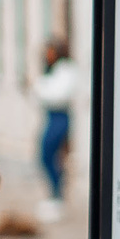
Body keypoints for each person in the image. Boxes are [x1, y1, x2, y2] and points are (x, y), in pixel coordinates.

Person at [36, 38, 79, 221]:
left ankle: (57, 195)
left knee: (50, 154)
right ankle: (54, 194)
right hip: (51, 115)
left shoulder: (66, 70)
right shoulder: (51, 70)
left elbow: (56, 94)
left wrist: (40, 90)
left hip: (60, 116)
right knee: (46, 155)